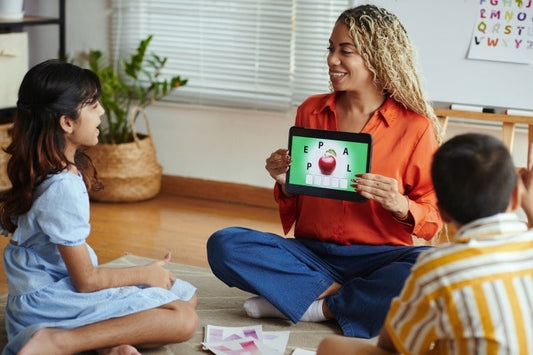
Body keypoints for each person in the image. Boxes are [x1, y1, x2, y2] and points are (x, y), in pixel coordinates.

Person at [207, 4, 443, 338]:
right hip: (312, 253)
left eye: (345, 51)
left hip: (381, 256)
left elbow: (433, 216)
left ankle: (315, 305)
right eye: (330, 49)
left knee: (432, 267)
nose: (332, 59)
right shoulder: (311, 110)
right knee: (224, 245)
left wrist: (401, 204)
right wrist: (286, 184)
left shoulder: (415, 127)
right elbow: (301, 196)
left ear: (378, 57)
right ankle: (344, 294)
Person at [0, 59, 198, 355]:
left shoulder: (46, 165)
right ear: (66, 122)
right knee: (183, 319)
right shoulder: (62, 188)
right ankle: (58, 342)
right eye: (93, 105)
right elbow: (87, 281)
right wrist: (144, 274)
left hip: (45, 293)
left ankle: (107, 345)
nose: (102, 112)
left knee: (185, 295)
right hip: (49, 303)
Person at [316, 133, 533, 354]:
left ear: (442, 212)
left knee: (331, 346)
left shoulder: (437, 267)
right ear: (516, 197)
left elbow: (393, 346)